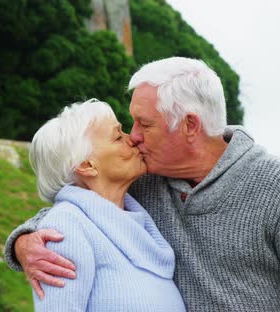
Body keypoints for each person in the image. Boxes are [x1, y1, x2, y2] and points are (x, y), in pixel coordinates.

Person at [5, 57, 280, 311]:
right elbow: (79, 203)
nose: (133, 137)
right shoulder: (145, 179)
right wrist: (24, 242)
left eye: (144, 124)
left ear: (190, 126)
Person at [24, 99, 185, 311]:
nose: (133, 139)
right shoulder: (65, 229)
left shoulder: (140, 221)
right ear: (87, 165)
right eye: (118, 137)